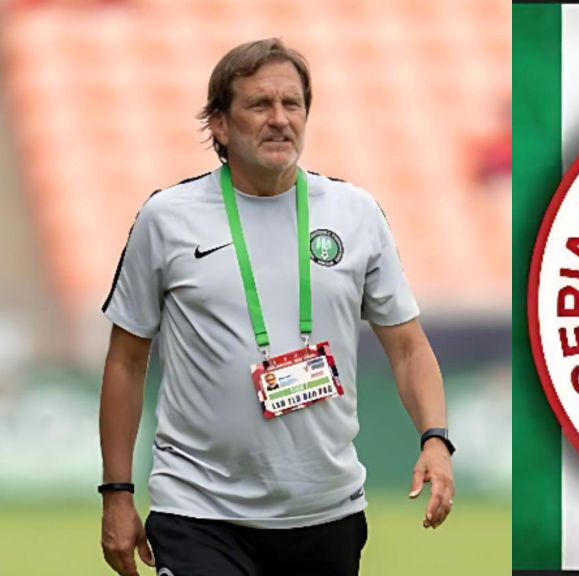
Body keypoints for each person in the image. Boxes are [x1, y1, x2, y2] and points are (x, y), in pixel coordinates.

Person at [98, 38, 455, 576]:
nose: (280, 119)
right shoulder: (166, 219)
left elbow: (407, 348)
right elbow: (126, 363)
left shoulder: (356, 214)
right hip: (199, 511)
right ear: (219, 124)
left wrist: (436, 438)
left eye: (293, 104)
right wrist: (117, 493)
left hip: (326, 513)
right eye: (259, 105)